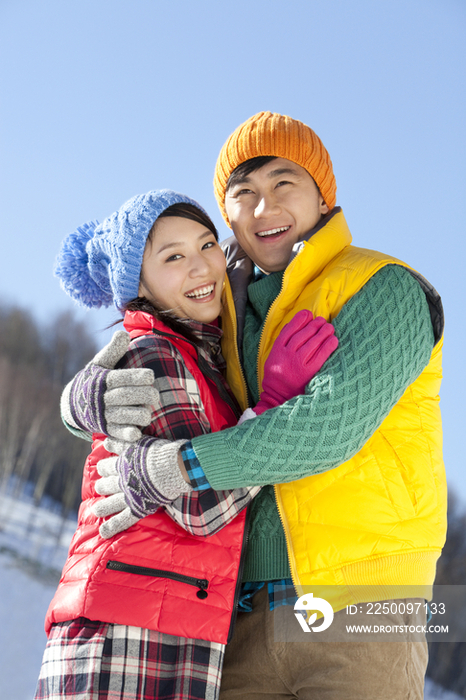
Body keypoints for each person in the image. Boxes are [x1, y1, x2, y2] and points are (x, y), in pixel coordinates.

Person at [62, 112, 446, 699]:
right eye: (244, 194)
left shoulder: (383, 286)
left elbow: (326, 430)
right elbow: (151, 342)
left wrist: (175, 468)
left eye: (282, 184)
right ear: (228, 215)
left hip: (362, 608)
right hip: (235, 617)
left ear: (324, 194)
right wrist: (82, 397)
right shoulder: (220, 311)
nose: (264, 208)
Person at [35, 189, 338, 700]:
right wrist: (273, 406)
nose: (200, 267)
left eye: (206, 246)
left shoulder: (202, 360)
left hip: (169, 618)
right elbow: (200, 503)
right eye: (173, 257)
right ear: (140, 283)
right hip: (126, 630)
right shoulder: (157, 353)